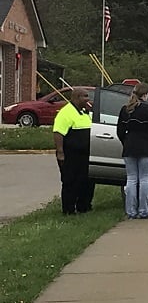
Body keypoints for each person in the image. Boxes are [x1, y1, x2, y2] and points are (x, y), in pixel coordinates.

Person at [117, 82, 148, 220]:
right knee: (144, 179)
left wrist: (126, 142)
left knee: (131, 179)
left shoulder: (126, 109)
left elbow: (120, 131)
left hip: (130, 146)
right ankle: (144, 210)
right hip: (146, 147)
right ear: (146, 95)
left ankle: (130, 211)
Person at [52, 87, 94, 215]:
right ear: (76, 98)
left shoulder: (84, 111)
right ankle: (69, 209)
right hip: (70, 155)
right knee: (70, 182)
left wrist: (89, 112)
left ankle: (84, 206)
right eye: (85, 96)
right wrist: (60, 152)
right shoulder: (66, 113)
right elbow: (58, 132)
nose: (88, 99)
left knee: (86, 181)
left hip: (84, 155)